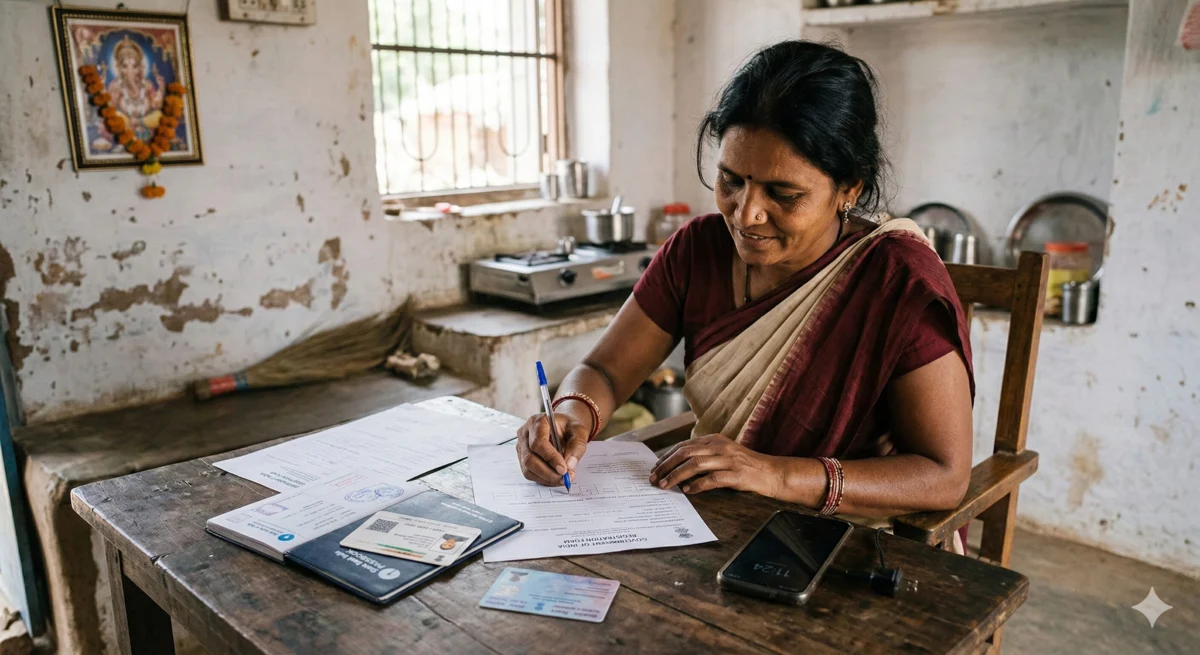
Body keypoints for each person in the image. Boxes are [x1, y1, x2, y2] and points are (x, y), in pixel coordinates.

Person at [515, 41, 974, 545]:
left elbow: (943, 475)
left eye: (784, 194)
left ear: (849, 189)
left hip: (851, 542)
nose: (746, 213)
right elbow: (603, 370)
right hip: (711, 518)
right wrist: (570, 415)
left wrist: (773, 474)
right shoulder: (698, 251)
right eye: (731, 180)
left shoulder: (897, 282)